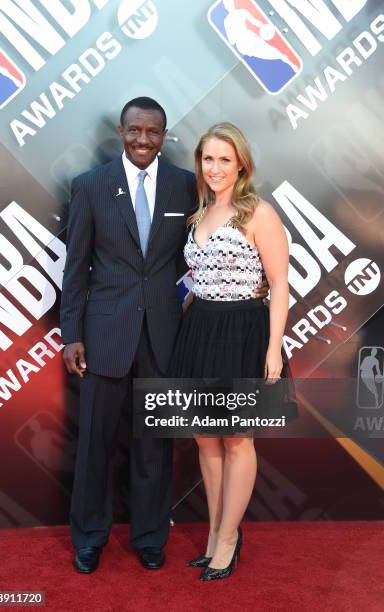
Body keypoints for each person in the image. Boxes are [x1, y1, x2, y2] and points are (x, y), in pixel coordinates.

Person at [60, 99, 269, 574]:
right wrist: (71, 333)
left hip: (166, 334)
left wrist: (250, 280)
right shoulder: (90, 187)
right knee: (95, 442)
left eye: (152, 133)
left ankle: (151, 536)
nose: (142, 140)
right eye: (134, 131)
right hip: (104, 334)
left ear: (164, 135)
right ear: (121, 131)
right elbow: (76, 268)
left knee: (154, 443)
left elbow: (202, 250)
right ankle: (90, 537)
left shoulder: (184, 185)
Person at [169, 122, 297, 581]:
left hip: (243, 330)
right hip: (199, 327)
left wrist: (273, 347)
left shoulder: (257, 212)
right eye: (208, 159)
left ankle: (228, 538)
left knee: (237, 438)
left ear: (241, 163)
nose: (215, 167)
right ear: (199, 164)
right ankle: (214, 533)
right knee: (206, 438)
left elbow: (280, 284)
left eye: (225, 159)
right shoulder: (199, 212)